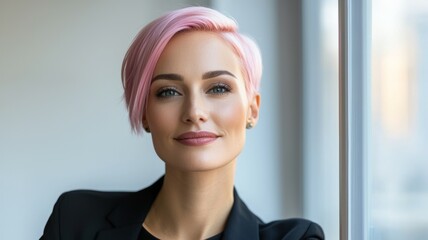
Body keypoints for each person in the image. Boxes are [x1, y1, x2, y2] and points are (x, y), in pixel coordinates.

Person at [40, 6, 324, 240]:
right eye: (168, 92)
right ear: (144, 113)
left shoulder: (295, 238)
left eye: (218, 88)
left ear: (252, 109)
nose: (194, 111)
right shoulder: (76, 220)